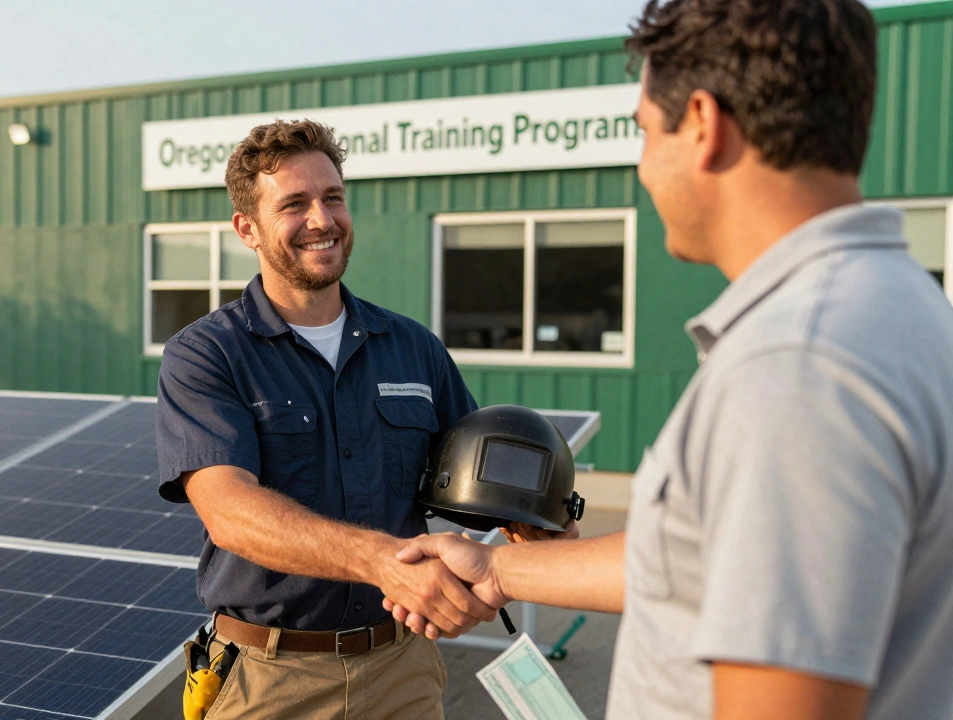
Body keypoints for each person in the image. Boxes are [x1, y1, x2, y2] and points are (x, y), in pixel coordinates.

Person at [385, 1, 953, 719]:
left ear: (705, 126)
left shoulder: (793, 370)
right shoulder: (901, 308)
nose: (644, 168)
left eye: (647, 133)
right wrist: (500, 567)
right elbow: (708, 560)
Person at [155, 119, 494, 719]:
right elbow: (230, 511)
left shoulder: (412, 347)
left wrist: (539, 530)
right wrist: (382, 562)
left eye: (332, 197)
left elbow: (479, 482)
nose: (322, 219)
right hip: (272, 680)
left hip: (403, 669)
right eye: (294, 204)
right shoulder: (208, 354)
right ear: (248, 229)